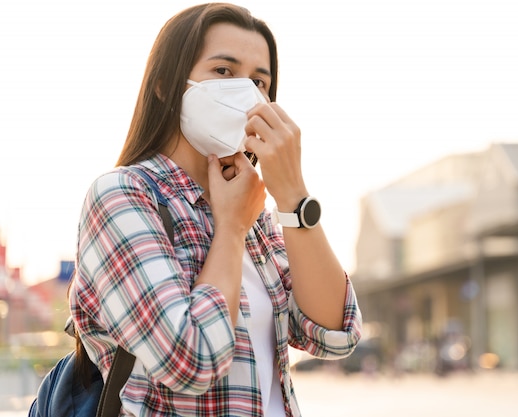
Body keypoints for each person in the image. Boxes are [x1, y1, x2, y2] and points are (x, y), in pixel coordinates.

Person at [68, 3, 362, 416]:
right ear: (166, 85)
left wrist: (292, 196)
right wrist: (230, 229)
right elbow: (191, 360)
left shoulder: (252, 211)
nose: (246, 93)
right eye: (224, 71)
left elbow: (335, 333)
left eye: (260, 81)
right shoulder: (123, 196)